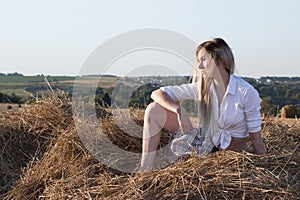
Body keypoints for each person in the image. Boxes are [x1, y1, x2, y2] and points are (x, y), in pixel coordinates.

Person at [140, 38, 266, 172]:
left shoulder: (245, 92)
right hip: (205, 143)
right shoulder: (202, 88)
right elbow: (157, 93)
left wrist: (264, 164)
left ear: (219, 60)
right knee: (153, 110)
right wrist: (178, 110)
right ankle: (144, 170)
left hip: (227, 154)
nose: (199, 67)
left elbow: (255, 135)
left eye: (204, 60)